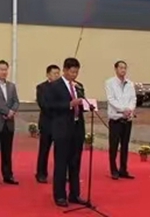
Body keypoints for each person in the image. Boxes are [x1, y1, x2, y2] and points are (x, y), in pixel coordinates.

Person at [45, 57, 87, 208]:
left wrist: (85, 105)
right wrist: (69, 104)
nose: (74, 75)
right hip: (62, 129)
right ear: (65, 70)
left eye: (76, 72)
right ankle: (60, 195)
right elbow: (49, 106)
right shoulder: (54, 86)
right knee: (61, 163)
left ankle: (74, 194)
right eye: (72, 72)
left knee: (75, 163)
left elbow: (82, 103)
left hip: (77, 128)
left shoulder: (79, 86)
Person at [105, 60, 137, 180]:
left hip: (127, 119)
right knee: (114, 146)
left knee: (125, 145)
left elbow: (133, 99)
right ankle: (114, 170)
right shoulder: (109, 83)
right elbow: (111, 99)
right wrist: (123, 109)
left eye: (125, 68)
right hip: (116, 118)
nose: (123, 70)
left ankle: (123, 169)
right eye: (121, 68)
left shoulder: (130, 84)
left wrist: (129, 109)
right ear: (116, 69)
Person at [35, 64, 61, 183]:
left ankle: (59, 173)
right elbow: (43, 105)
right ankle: (41, 173)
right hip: (47, 123)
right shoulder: (42, 87)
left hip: (60, 124)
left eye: (58, 73)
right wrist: (59, 108)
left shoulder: (62, 87)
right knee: (44, 150)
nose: (57, 75)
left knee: (60, 151)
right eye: (54, 73)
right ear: (48, 74)